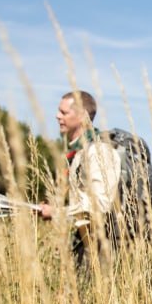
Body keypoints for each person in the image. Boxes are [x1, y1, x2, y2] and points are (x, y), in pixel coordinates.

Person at [37, 90, 126, 272]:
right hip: (88, 244)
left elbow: (100, 206)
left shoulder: (99, 151)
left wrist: (56, 212)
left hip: (105, 247)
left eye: (63, 112)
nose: (57, 116)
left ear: (82, 116)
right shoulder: (81, 150)